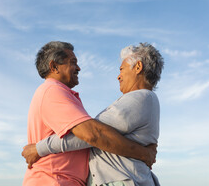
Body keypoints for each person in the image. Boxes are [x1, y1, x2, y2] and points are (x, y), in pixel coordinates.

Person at [23, 42, 164, 186]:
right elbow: (93, 134)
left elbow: (94, 134)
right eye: (73, 63)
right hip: (53, 181)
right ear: (54, 67)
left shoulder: (141, 98)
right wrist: (143, 153)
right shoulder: (52, 91)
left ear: (138, 67)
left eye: (121, 69)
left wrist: (39, 148)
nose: (118, 76)